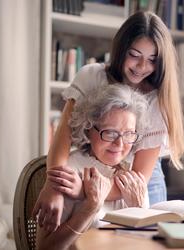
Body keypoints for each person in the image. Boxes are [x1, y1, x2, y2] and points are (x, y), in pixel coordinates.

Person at [33, 11, 184, 232]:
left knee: (143, 241)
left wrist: (82, 191)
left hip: (140, 181)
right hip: (93, 168)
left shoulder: (157, 100)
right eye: (134, 55)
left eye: (152, 60)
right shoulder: (91, 76)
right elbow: (62, 140)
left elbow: (138, 178)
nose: (142, 66)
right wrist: (53, 186)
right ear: (121, 49)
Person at [36, 84, 149, 250]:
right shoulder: (69, 171)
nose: (120, 143)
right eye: (110, 132)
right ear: (89, 129)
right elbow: (44, 248)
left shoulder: (133, 178)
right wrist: (89, 209)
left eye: (128, 134)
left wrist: (138, 211)